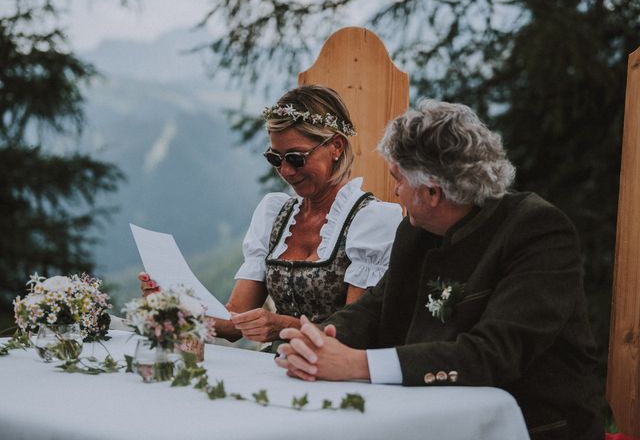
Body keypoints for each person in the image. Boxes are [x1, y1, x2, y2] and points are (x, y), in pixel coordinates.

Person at [275, 99, 603, 440]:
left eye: (398, 179)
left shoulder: (539, 232)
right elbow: (377, 305)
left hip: (523, 427)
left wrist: (357, 365)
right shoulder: (416, 230)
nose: (394, 191)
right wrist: (320, 339)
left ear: (431, 192)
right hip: (424, 417)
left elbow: (494, 353)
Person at [140, 85, 402, 346]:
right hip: (279, 368)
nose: (286, 171)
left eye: (296, 158)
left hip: (335, 373)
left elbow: (357, 332)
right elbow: (234, 321)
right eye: (275, 159)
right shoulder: (275, 214)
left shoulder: (372, 221)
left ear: (335, 146)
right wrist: (174, 306)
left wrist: (285, 326)